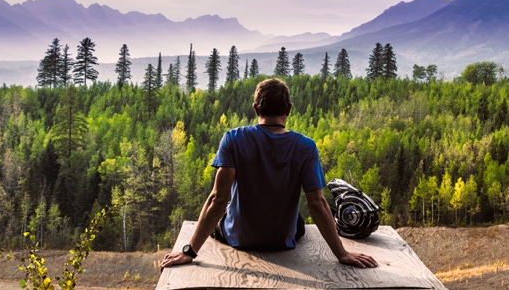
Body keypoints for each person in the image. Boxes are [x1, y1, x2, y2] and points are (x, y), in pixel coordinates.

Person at [161, 78, 377, 269]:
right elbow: (317, 203)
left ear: (256, 109)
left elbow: (218, 199)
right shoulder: (306, 146)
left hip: (240, 238)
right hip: (283, 240)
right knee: (298, 219)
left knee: (225, 212)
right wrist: (342, 254)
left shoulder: (233, 139)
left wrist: (189, 251)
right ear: (289, 109)